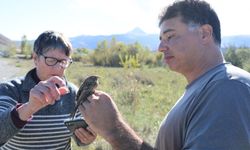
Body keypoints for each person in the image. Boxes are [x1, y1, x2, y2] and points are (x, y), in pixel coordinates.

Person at [79, 0, 250, 149]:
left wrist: (114, 130)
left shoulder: (227, 88)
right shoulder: (208, 86)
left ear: (204, 33)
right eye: (161, 39)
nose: (161, 47)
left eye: (170, 36)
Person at [0, 31, 96, 149]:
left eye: (63, 62)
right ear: (35, 58)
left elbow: (79, 136)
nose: (57, 68)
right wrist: (30, 107)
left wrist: (86, 138)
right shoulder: (10, 89)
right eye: (50, 60)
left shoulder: (73, 93)